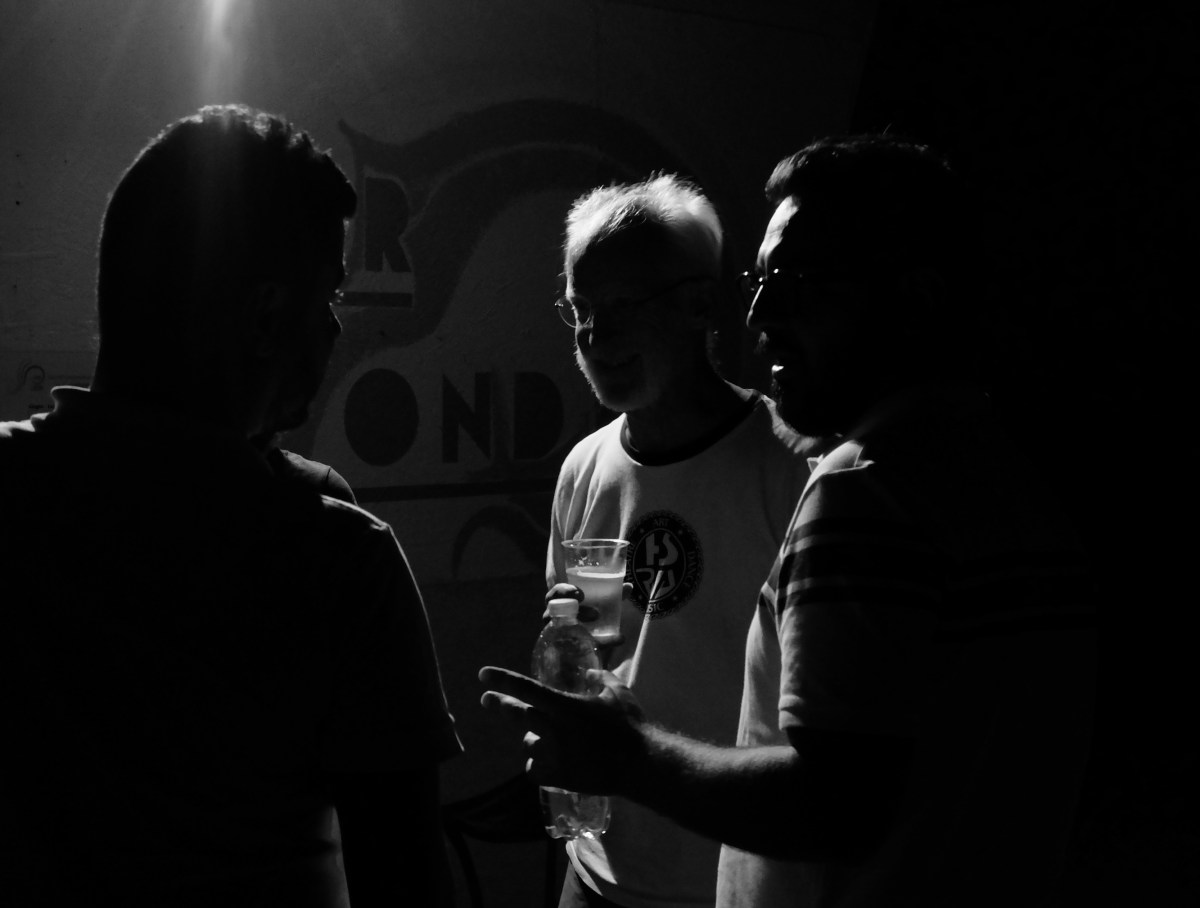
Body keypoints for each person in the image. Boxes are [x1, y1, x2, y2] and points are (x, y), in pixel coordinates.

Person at [482, 135, 1097, 908]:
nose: (761, 313)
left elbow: (835, 798)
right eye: (581, 310)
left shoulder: (839, 484)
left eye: (799, 282)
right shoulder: (1006, 478)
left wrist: (630, 756)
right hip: (606, 871)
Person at [0, 105, 461, 908]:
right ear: (267, 317)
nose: (335, 329)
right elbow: (406, 884)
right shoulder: (336, 561)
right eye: (329, 296)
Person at [546, 174, 819, 907]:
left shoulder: (791, 467)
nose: (595, 336)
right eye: (581, 310)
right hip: (598, 873)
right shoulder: (583, 469)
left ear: (700, 305)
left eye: (623, 307)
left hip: (729, 884)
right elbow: (586, 648)